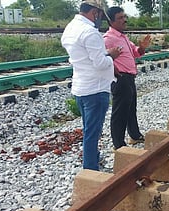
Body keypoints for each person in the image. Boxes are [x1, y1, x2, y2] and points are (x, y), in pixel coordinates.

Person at [61, 0, 121, 170]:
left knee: (88, 129)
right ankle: (90, 168)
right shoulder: (90, 32)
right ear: (95, 12)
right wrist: (112, 55)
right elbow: (100, 63)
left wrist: (104, 54)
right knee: (92, 133)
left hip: (80, 87)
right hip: (95, 88)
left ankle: (93, 158)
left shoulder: (70, 28)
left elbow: (85, 56)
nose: (100, 19)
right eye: (100, 15)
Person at [103, 7, 152, 149]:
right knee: (120, 112)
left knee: (131, 108)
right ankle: (118, 144)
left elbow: (136, 52)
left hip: (129, 77)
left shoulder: (122, 37)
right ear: (111, 21)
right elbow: (101, 58)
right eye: (120, 18)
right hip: (121, 77)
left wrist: (142, 47)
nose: (124, 20)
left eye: (124, 16)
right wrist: (114, 71)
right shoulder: (108, 39)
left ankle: (135, 135)